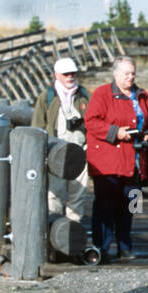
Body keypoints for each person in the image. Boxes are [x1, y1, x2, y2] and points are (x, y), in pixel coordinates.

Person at [84, 56, 148, 262]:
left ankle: (125, 246)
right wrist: (116, 132)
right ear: (115, 74)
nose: (130, 77)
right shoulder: (102, 94)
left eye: (133, 73)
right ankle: (102, 248)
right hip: (108, 162)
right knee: (105, 206)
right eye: (126, 73)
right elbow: (91, 121)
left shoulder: (142, 95)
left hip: (136, 162)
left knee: (132, 205)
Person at [31, 56, 91, 223]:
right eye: (66, 74)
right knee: (53, 194)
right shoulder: (47, 96)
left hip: (80, 152)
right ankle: (53, 229)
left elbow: (93, 122)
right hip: (54, 153)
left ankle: (73, 230)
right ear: (56, 75)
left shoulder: (85, 95)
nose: (70, 77)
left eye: (73, 73)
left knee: (77, 195)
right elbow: (37, 125)